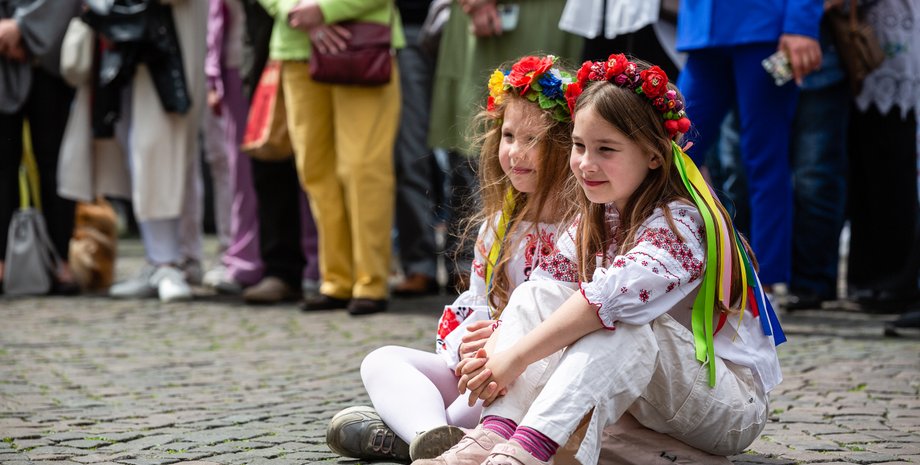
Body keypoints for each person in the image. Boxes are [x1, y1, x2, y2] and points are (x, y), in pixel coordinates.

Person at [417, 56, 786, 465]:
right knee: (536, 295)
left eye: (605, 149)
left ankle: (525, 453)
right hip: (646, 395)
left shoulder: (681, 223)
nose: (585, 164)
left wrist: (514, 356)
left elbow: (604, 303)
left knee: (623, 324)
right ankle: (493, 436)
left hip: (726, 404)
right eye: (578, 146)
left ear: (653, 155)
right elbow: (544, 296)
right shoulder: (594, 215)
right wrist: (498, 339)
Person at [324, 55, 581, 462]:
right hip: (484, 368)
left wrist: (501, 340)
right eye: (509, 136)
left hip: (535, 368)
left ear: (568, 146)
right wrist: (467, 343)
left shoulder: (583, 228)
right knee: (382, 361)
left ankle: (412, 432)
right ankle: (430, 435)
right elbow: (475, 306)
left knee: (482, 396)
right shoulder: (499, 227)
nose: (516, 152)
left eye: (534, 141)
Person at [259, 0, 404, 315]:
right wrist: (296, 10)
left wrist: (326, 10)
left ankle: (371, 282)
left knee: (364, 168)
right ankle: (336, 281)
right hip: (297, 46)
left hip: (364, 42)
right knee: (315, 170)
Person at [675, 0, 824, 291]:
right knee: (674, 149)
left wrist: (800, 24)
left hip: (764, 25)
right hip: (703, 30)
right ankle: (668, 261)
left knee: (765, 158)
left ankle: (764, 282)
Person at [0, 0, 81, 295]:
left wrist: (23, 29)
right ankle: (1, 262)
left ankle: (61, 258)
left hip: (51, 55)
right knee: (2, 164)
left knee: (56, 161)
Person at [845, 0, 920, 311]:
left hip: (892, 48)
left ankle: (895, 279)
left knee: (892, 168)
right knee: (866, 170)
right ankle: (870, 276)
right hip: (861, 52)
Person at [201, 0, 266, 295]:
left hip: (276, 58)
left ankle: (310, 262)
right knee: (239, 171)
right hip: (235, 65)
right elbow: (219, 16)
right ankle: (243, 258)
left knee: (293, 172)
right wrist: (213, 75)